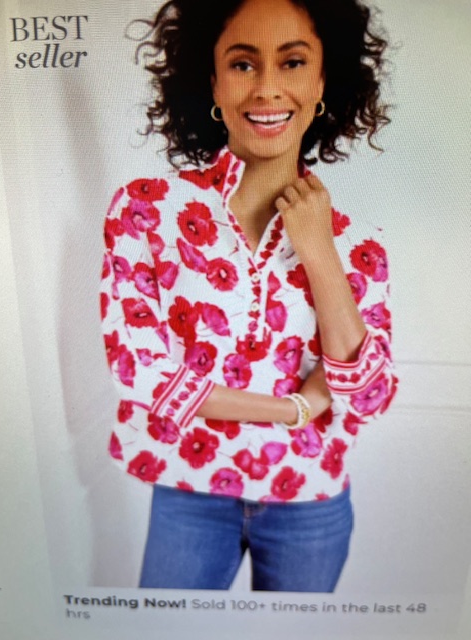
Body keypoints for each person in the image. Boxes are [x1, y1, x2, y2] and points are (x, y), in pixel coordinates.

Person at [100, 0, 398, 592]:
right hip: (189, 490)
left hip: (311, 500)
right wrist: (299, 408)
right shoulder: (147, 210)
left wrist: (319, 250)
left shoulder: (357, 243)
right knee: (167, 638)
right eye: (242, 64)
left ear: (321, 82)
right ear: (211, 81)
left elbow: (368, 398)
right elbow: (142, 375)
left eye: (292, 62)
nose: (266, 88)